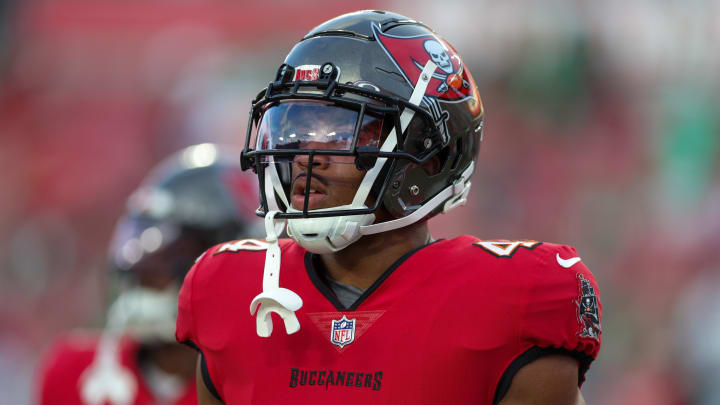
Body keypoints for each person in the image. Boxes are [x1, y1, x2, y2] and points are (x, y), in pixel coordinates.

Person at [176, 11, 602, 405]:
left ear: (429, 159)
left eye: (341, 130)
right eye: (294, 126)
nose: (306, 154)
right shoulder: (227, 289)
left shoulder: (518, 298)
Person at [37, 144, 262, 405]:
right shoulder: (72, 373)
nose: (143, 270)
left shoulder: (256, 381)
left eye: (170, 255)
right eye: (144, 244)